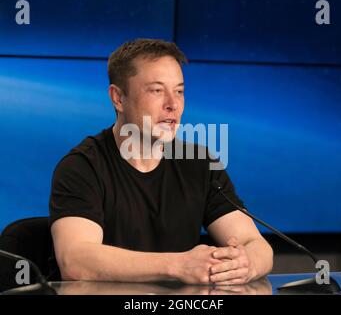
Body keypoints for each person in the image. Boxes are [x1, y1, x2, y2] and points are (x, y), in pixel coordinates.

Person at [49, 38, 273, 285]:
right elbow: (76, 261)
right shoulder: (82, 167)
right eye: (157, 90)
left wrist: (245, 265)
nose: (173, 105)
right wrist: (178, 265)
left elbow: (257, 245)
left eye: (179, 91)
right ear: (118, 98)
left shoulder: (199, 163)